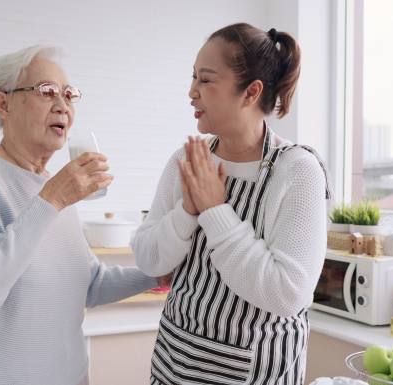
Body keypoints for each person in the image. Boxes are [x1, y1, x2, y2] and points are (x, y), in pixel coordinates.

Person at [0, 45, 158, 385]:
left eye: (69, 95)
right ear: (4, 103)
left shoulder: (54, 188)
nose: (63, 106)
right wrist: (52, 199)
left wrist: (158, 274)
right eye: (47, 92)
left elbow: (90, 284)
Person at [132, 23, 331, 385]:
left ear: (251, 92)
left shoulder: (297, 170)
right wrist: (186, 212)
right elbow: (149, 259)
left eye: (205, 80)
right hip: (173, 364)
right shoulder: (187, 159)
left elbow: (287, 294)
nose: (192, 92)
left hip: (252, 372)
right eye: (193, 78)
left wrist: (214, 210)